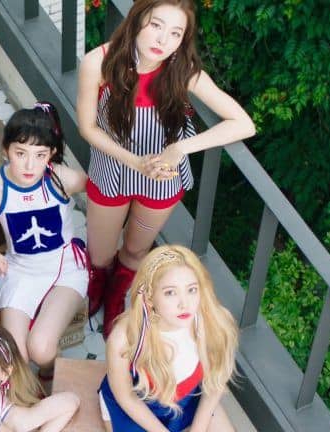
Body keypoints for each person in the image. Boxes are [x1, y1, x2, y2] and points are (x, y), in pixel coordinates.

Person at [77, 0, 256, 337]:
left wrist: (180, 148)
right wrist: (133, 160)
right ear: (137, 20)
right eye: (156, 25)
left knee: (135, 250)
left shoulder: (184, 71)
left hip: (161, 178)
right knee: (99, 253)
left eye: (175, 33)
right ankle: (97, 286)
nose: (163, 40)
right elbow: (87, 127)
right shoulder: (99, 62)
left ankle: (118, 295)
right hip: (112, 167)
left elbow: (243, 123)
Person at [0, 102, 89, 380]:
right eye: (20, 153)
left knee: (41, 350)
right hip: (20, 272)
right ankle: (27, 394)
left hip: (64, 270)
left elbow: (105, 190)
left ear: (51, 155)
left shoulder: (60, 178)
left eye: (40, 155)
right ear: (6, 150)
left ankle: (51, 372)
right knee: (17, 358)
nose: (29, 165)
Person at [99, 245, 238, 431]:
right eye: (170, 292)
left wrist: (198, 428)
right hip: (137, 409)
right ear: (149, 297)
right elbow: (126, 397)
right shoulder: (124, 338)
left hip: (186, 401)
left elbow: (216, 381)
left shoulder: (212, 323)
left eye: (192, 290)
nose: (184, 304)